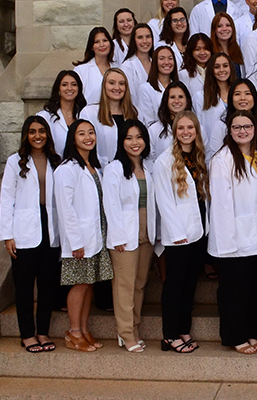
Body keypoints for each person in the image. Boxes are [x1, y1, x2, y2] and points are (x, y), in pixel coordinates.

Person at [0, 115, 62, 353]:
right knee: (24, 286)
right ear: (26, 135)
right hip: (24, 229)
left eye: (42, 131)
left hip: (50, 226)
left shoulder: (56, 161)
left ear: (47, 134)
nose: (38, 136)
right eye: (33, 131)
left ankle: (43, 331)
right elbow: (6, 199)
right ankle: (27, 334)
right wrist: (7, 235)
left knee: (47, 285)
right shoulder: (15, 162)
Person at [210, 110, 257, 355]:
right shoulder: (222, 159)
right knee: (234, 291)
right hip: (232, 240)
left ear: (255, 128)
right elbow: (222, 206)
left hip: (256, 236)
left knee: (253, 290)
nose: (242, 131)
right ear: (229, 131)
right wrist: (227, 244)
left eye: (247, 126)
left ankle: (251, 332)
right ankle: (235, 336)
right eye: (236, 127)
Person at [153, 110, 208, 353]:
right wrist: (177, 234)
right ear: (174, 132)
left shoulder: (198, 157)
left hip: (198, 232)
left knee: (189, 285)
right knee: (174, 286)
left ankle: (183, 329)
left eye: (190, 128)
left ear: (196, 131)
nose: (186, 132)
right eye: (181, 128)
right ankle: (169, 335)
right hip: (179, 236)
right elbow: (164, 202)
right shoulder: (164, 161)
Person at [55, 119, 111, 353]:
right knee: (79, 285)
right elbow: (65, 209)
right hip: (80, 239)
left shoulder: (94, 166)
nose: (88, 137)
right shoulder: (67, 169)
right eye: (81, 134)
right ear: (72, 138)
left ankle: (84, 329)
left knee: (89, 284)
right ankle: (73, 332)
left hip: (96, 235)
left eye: (91, 133)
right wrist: (76, 242)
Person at [102, 119, 156, 353]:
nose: (135, 143)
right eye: (129, 138)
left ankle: (134, 327)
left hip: (146, 230)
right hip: (124, 233)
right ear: (121, 141)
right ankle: (125, 333)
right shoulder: (114, 168)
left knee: (139, 283)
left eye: (139, 137)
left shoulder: (148, 166)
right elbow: (111, 205)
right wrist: (118, 237)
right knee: (124, 285)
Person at [81, 68, 139, 166]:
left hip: (130, 169)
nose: (117, 87)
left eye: (121, 83)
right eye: (112, 83)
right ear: (104, 86)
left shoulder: (135, 112)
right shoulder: (90, 113)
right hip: (101, 168)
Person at [37, 70, 86, 152]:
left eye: (74, 85)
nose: (69, 88)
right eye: (64, 85)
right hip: (54, 163)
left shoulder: (84, 114)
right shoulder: (45, 116)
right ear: (58, 89)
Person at [136, 46, 178, 127]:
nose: (167, 62)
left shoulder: (179, 87)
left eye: (170, 58)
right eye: (162, 58)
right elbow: (147, 122)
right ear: (155, 62)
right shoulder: (145, 89)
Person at [149, 81, 193, 159]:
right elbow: (150, 159)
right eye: (172, 97)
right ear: (166, 100)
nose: (176, 101)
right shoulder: (154, 129)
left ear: (187, 100)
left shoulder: (197, 128)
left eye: (180, 97)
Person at [73, 27, 114, 106]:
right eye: (97, 42)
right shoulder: (81, 70)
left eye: (105, 40)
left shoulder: (118, 68)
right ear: (91, 46)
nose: (102, 45)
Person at [120, 24, 155, 95]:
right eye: (140, 37)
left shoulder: (156, 63)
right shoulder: (127, 66)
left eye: (148, 36)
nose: (145, 41)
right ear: (134, 41)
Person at [210, 12, 246, 80]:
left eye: (228, 25)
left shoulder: (238, 50)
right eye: (219, 26)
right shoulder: (210, 52)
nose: (224, 29)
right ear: (214, 30)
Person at [179, 32, 212, 98]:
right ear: (191, 52)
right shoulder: (184, 74)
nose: (202, 53)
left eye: (206, 48)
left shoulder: (216, 71)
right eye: (197, 49)